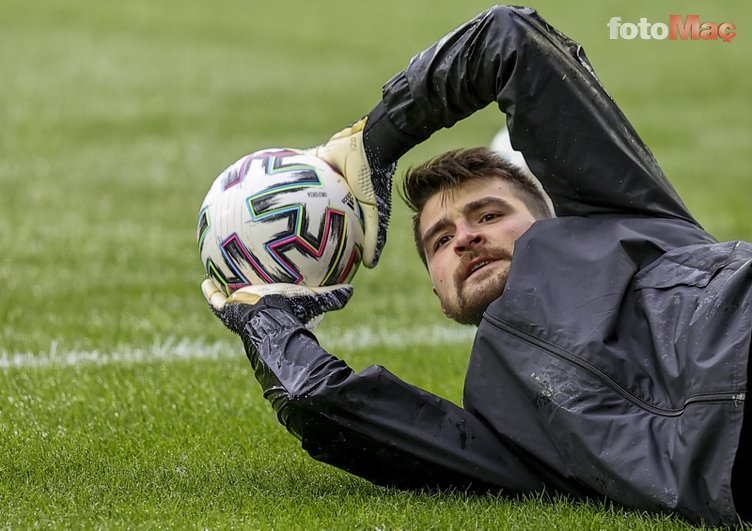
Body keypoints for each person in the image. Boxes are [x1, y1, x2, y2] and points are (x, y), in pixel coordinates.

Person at [200, 5, 752, 526]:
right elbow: (328, 406)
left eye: (488, 214)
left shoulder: (628, 215)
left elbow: (509, 39)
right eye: (439, 241)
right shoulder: (499, 426)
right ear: (438, 292)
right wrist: (267, 321)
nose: (464, 238)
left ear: (549, 217)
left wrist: (375, 142)